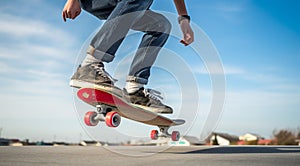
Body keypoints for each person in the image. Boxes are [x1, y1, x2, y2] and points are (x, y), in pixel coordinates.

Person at [62, 0, 194, 114]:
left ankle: (134, 89)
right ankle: (89, 66)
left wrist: (184, 20)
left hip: (129, 5)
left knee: (161, 25)